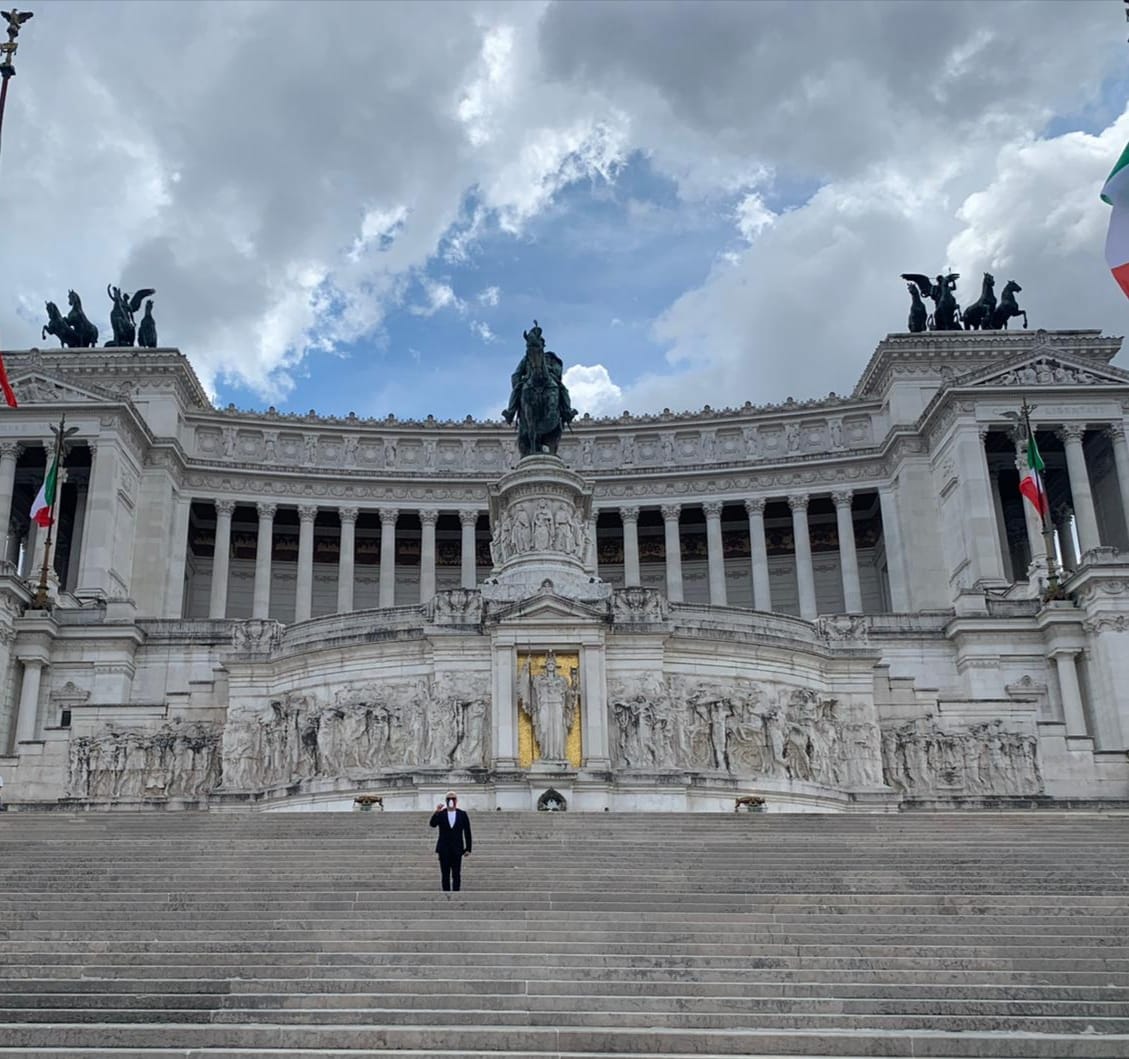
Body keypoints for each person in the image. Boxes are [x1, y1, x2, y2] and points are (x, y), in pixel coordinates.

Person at [429, 789, 472, 893]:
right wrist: (436, 812)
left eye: (453, 798)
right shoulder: (441, 813)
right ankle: (446, 893)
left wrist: (468, 848)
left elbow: (467, 832)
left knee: (456, 873)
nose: (451, 801)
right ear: (446, 800)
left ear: (456, 800)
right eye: (449, 799)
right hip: (444, 849)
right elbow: (432, 824)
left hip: (457, 848)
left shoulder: (462, 814)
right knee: (445, 873)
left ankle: (456, 892)